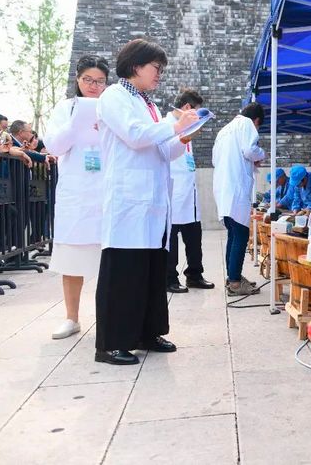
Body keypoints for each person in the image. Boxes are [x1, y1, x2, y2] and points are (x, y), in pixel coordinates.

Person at [95, 39, 198, 365]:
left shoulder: (148, 103)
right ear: (136, 65)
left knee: (151, 272)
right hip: (128, 202)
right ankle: (111, 343)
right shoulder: (114, 96)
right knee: (124, 274)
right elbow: (136, 135)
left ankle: (147, 332)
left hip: (153, 203)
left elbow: (163, 150)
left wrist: (183, 137)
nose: (159, 75)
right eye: (157, 68)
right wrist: (173, 124)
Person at [44, 55, 109, 340]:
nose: (94, 86)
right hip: (76, 193)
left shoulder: (111, 108)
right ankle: (72, 317)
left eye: (100, 81)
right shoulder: (64, 108)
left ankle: (108, 317)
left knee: (109, 259)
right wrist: (76, 124)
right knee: (72, 257)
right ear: (78, 80)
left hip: (106, 191)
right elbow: (55, 145)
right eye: (88, 80)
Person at [212, 102, 266, 296]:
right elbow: (250, 150)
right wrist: (262, 154)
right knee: (241, 234)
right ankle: (235, 282)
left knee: (233, 234)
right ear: (257, 120)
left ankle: (232, 277)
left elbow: (215, 159)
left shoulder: (224, 130)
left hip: (223, 187)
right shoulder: (246, 125)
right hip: (235, 188)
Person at [164, 89, 214, 294]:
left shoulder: (188, 128)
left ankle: (194, 274)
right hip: (173, 194)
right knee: (171, 240)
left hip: (189, 194)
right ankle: (169, 278)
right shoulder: (166, 125)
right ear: (187, 108)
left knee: (194, 237)